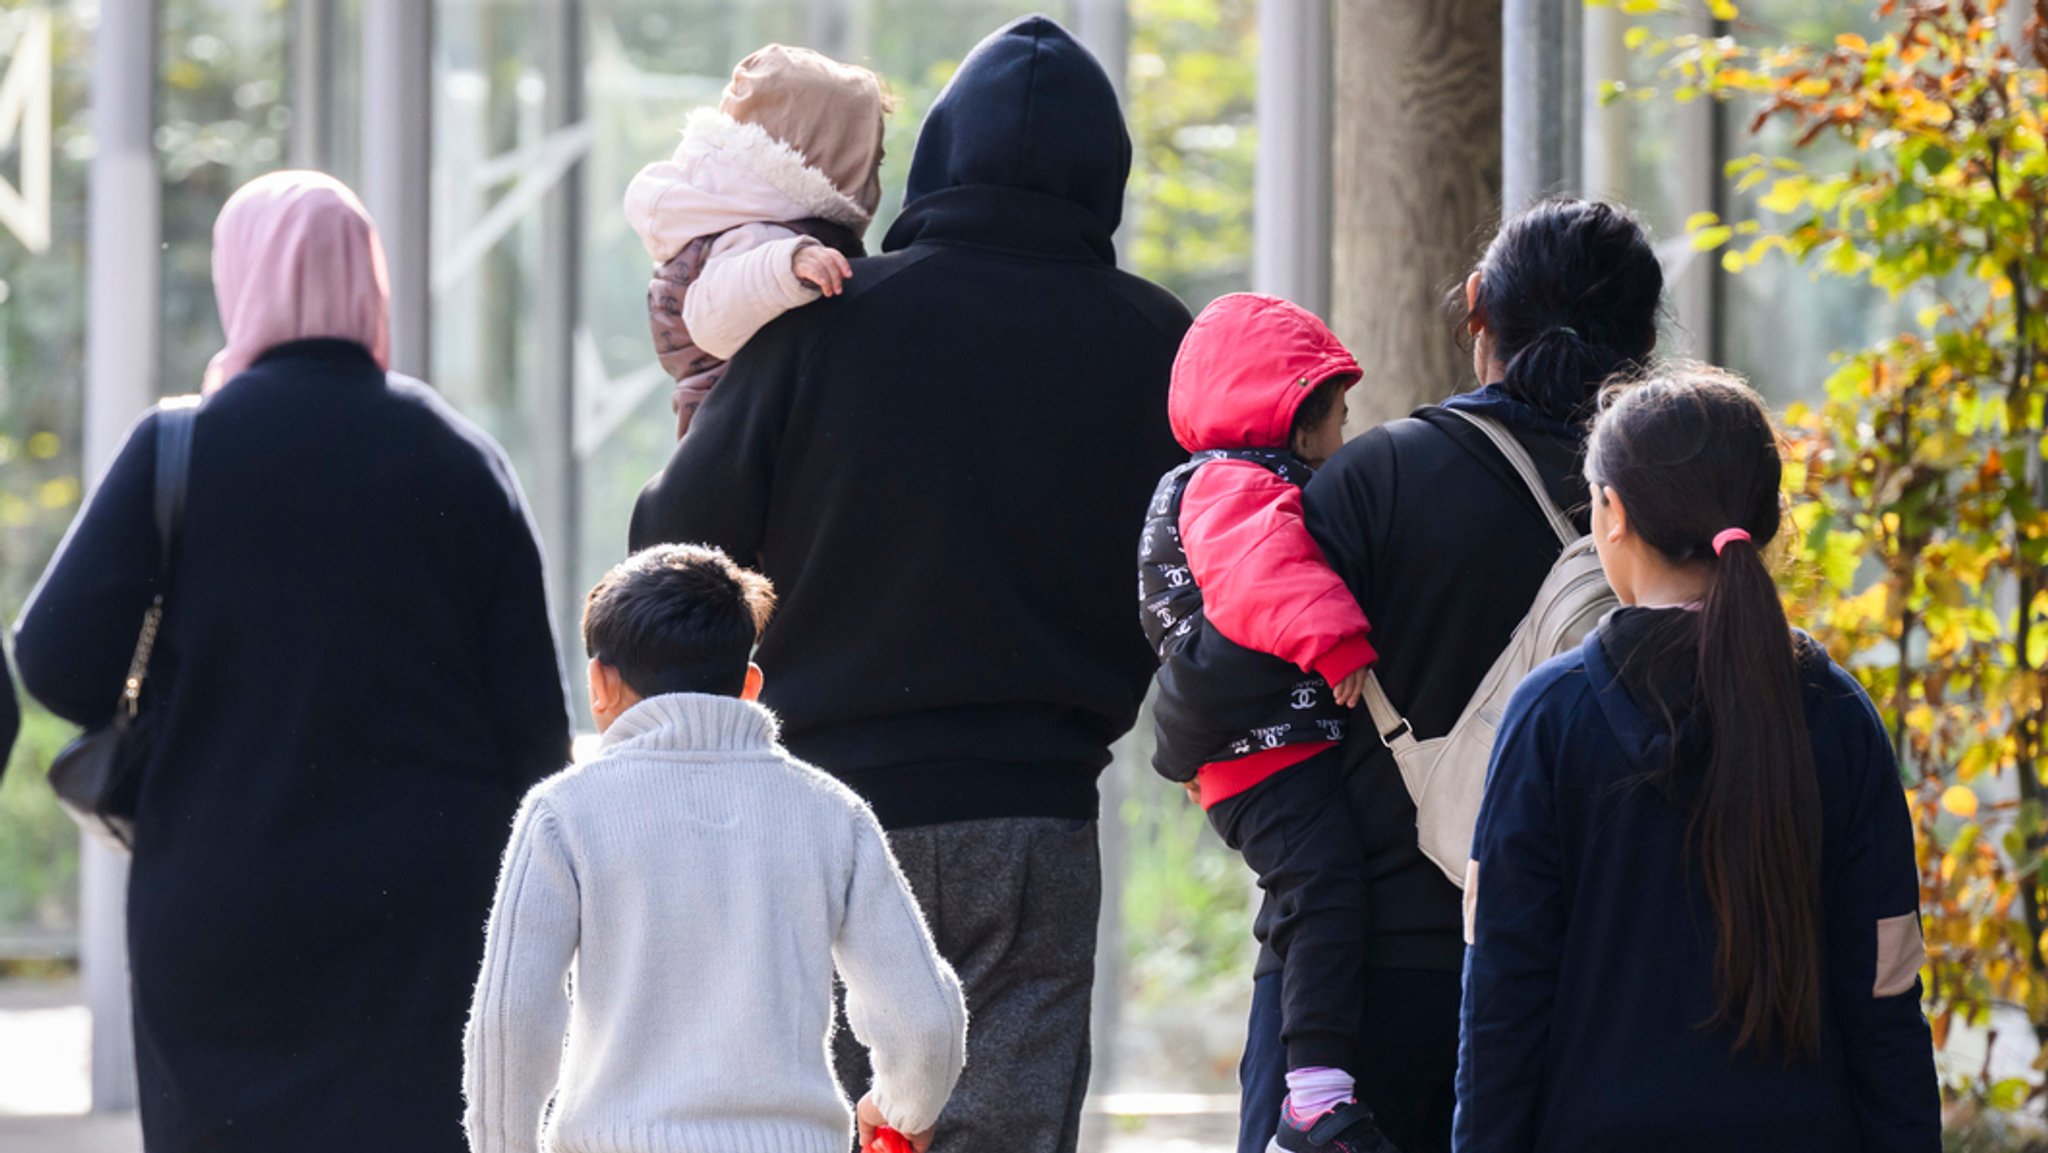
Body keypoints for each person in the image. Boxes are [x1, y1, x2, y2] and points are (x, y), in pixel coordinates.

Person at [628, 16, 1190, 1153]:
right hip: (1037, 810)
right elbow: (1192, 570)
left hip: (825, 811)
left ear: (934, 159)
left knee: (811, 1123)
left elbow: (669, 541)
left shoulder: (826, 323)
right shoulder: (1156, 346)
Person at [13, 171, 572, 1153]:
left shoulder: (177, 449)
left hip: (221, 900)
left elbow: (54, 664)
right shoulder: (457, 457)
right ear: (372, 285)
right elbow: (533, 729)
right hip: (425, 917)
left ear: (242, 278)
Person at [1204, 199, 1667, 1153]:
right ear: (1645, 341)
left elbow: (1210, 692)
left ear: (1476, 308)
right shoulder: (1660, 514)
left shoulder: (1378, 477)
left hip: (1351, 979)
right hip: (1574, 972)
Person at [1455, 365, 1940, 1151]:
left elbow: (1501, 1004)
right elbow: (1885, 997)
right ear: (1764, 518)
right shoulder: (1839, 716)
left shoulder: (1550, 718)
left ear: (1611, 514)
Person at [463, 544, 967, 1153]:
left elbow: (509, 1026)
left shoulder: (564, 815)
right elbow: (926, 1022)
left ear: (600, 681)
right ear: (749, 685)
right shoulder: (832, 814)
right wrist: (899, 1108)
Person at [1139, 293, 1391, 1152]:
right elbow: (1259, 585)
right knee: (1324, 892)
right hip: (1265, 752)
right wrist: (1340, 642)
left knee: (1304, 895)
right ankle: (1314, 1095)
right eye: (1338, 414)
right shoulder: (1237, 487)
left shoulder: (1217, 482)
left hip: (1250, 749)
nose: (1344, 437)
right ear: (1294, 413)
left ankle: (1306, 1089)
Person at [626, 44, 890, 437]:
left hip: (734, 420)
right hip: (731, 426)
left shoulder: (737, 213)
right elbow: (710, 316)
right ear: (827, 160)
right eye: (870, 160)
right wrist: (786, 266)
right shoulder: (762, 233)